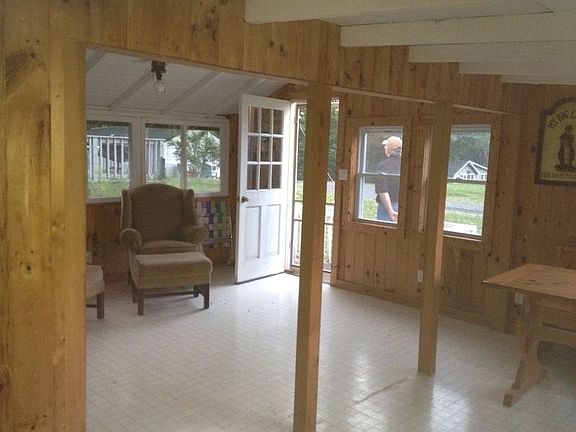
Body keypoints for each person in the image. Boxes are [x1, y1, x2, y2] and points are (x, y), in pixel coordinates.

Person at [375, 136, 402, 222]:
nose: (385, 149)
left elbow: (382, 190)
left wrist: (390, 211)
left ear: (389, 150)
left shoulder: (383, 166)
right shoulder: (406, 165)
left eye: (386, 147)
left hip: (386, 207)